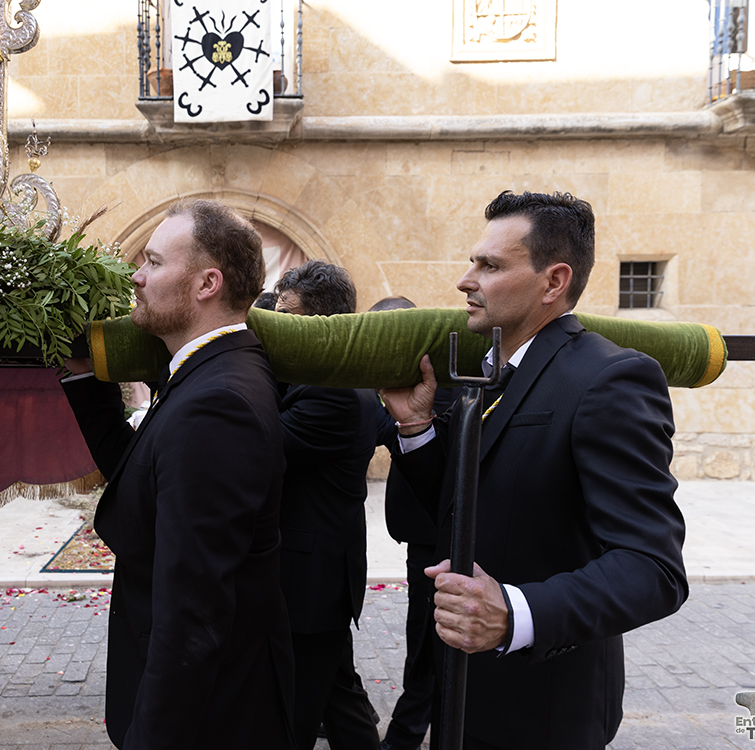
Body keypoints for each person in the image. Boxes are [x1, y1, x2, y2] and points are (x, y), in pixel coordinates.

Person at [380, 190, 688, 750]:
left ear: (553, 282)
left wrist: (516, 613)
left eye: (490, 265)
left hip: (543, 707)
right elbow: (470, 506)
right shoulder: (492, 372)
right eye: (474, 261)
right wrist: (415, 428)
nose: (465, 280)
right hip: (467, 691)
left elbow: (653, 569)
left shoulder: (610, 378)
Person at [61, 199, 295, 749]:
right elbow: (146, 477)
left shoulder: (218, 403)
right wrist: (83, 377)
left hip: (213, 723)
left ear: (207, 283)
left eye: (153, 262)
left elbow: (194, 613)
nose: (137, 277)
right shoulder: (205, 372)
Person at [273, 259, 382, 750]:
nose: (276, 320)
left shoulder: (333, 392)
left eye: (286, 313)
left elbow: (256, 445)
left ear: (322, 326)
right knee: (339, 696)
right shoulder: (316, 377)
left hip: (309, 584)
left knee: (291, 717)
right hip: (316, 579)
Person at [369, 296, 453, 750]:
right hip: (417, 539)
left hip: (436, 538)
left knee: (426, 646)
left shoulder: (441, 385)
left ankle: (403, 737)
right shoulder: (397, 390)